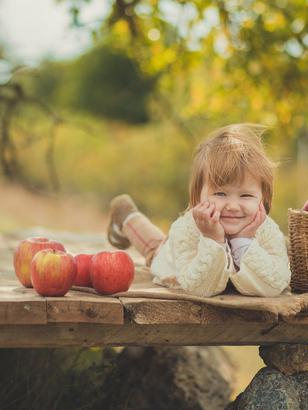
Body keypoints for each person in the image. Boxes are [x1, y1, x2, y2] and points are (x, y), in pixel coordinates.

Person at [106, 123, 291, 297]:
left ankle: (126, 214)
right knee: (154, 250)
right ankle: (126, 215)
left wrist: (244, 242)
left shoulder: (266, 230)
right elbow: (200, 288)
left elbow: (275, 284)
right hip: (170, 257)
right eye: (220, 194)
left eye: (246, 196)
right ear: (196, 198)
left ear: (263, 199)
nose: (233, 206)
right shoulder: (186, 229)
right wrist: (212, 240)